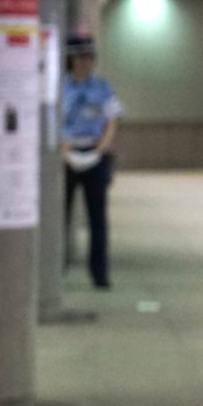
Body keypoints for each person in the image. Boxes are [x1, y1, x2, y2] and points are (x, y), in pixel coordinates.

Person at [62, 34, 122, 289]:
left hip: (95, 154)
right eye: (81, 58)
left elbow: (112, 120)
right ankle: (56, 270)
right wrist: (62, 145)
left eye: (90, 58)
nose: (86, 63)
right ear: (71, 60)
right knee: (59, 216)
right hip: (66, 154)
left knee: (97, 218)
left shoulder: (103, 88)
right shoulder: (60, 87)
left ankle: (99, 273)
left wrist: (103, 146)